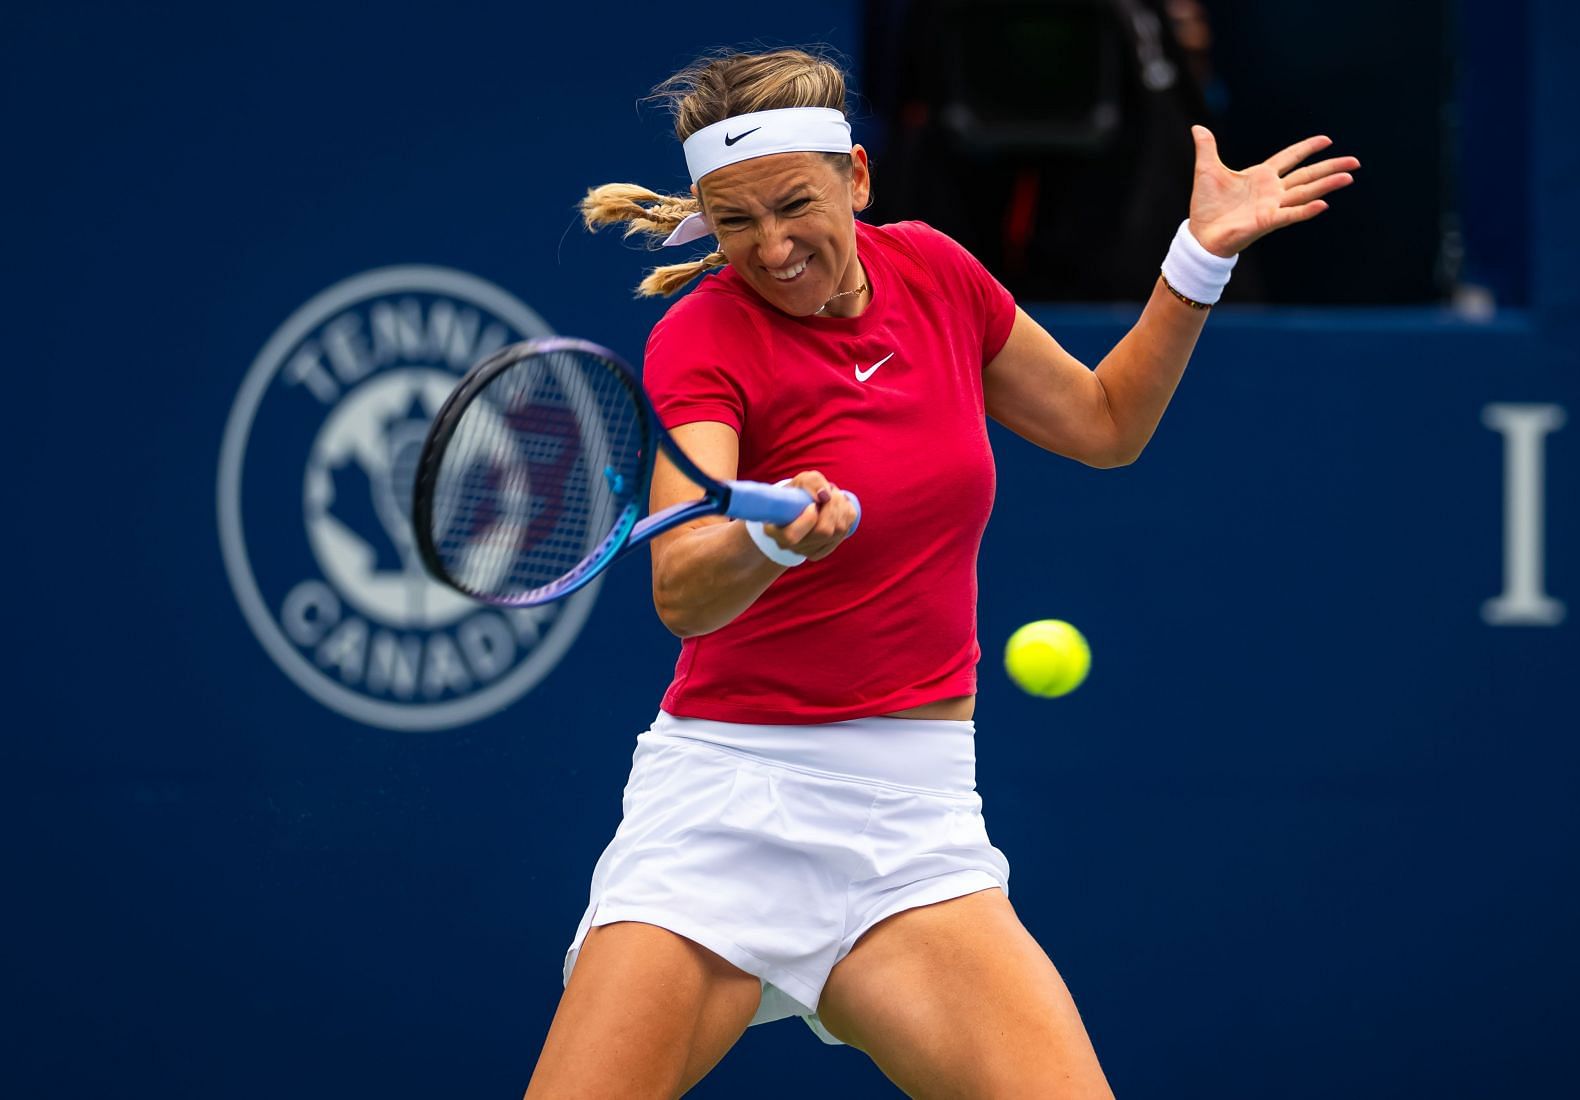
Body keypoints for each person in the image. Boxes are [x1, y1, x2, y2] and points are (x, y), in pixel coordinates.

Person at [526, 46, 1356, 1099]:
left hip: (912, 826)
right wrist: (772, 540)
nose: (773, 247)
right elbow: (682, 584)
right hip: (727, 812)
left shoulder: (935, 272)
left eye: (795, 205)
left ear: (858, 178)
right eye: (736, 223)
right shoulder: (702, 338)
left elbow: (1106, 424)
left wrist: (1197, 257)